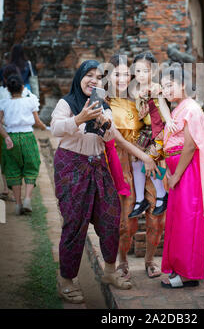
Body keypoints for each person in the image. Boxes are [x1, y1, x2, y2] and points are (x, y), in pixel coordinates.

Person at [50, 59, 159, 303]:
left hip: (98, 167)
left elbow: (112, 137)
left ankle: (110, 272)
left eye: (99, 77)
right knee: (75, 224)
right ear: (80, 77)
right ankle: (67, 280)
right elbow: (55, 129)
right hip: (72, 167)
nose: (94, 80)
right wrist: (80, 118)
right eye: (89, 75)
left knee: (110, 220)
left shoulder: (104, 106)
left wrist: (104, 123)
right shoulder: (66, 103)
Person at [160, 65, 204, 288]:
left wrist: (176, 174)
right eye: (164, 86)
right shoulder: (179, 107)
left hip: (187, 172)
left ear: (182, 84)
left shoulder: (191, 109)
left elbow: (190, 145)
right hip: (178, 172)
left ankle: (187, 274)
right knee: (178, 219)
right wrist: (169, 169)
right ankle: (184, 269)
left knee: (188, 218)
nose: (166, 90)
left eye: (170, 85)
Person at [106, 54, 166, 280]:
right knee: (125, 217)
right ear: (109, 75)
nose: (122, 78)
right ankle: (122, 262)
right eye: (117, 73)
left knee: (157, 213)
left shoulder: (139, 95)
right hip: (121, 161)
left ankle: (150, 260)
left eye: (125, 74)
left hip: (148, 157)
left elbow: (157, 123)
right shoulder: (105, 102)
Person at [128, 51, 177, 218]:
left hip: (160, 131)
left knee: (150, 159)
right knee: (135, 159)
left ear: (154, 71)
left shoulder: (156, 87)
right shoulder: (135, 90)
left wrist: (169, 120)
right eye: (138, 71)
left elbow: (162, 105)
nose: (141, 75)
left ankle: (162, 194)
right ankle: (140, 199)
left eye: (146, 71)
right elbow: (141, 114)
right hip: (147, 130)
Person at [0, 74, 46, 215]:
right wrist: (44, 127)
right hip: (27, 137)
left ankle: (18, 204)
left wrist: (6, 136)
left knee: (13, 168)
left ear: (8, 89)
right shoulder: (30, 101)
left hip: (11, 137)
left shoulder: (4, 103)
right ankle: (27, 199)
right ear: (22, 87)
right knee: (31, 165)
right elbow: (37, 121)